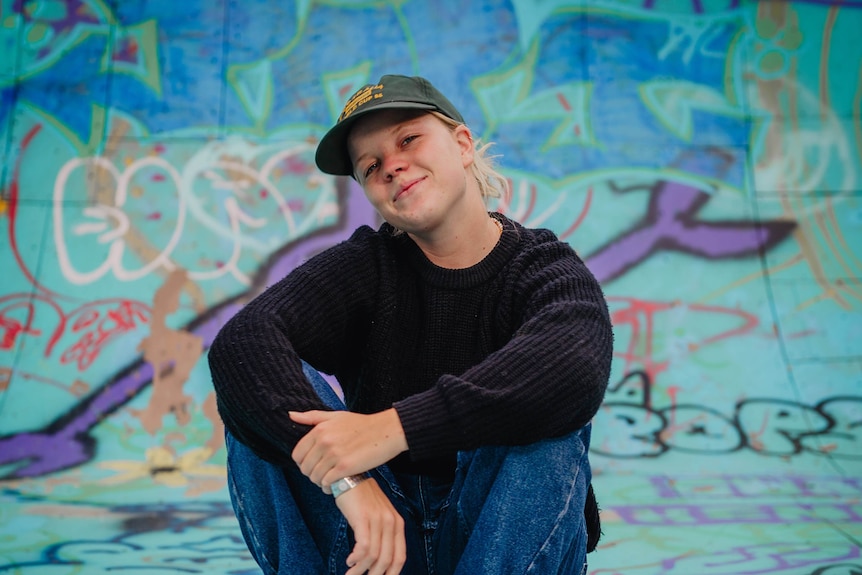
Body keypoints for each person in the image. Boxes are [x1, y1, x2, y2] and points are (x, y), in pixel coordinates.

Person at [208, 74, 613, 575]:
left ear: (462, 144)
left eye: (408, 139)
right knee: (259, 397)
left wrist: (391, 429)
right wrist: (348, 480)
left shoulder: (543, 268)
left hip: (497, 543)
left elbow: (574, 368)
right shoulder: (367, 266)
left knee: (546, 411)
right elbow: (241, 344)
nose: (392, 166)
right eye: (371, 165)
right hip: (376, 544)